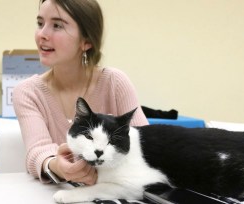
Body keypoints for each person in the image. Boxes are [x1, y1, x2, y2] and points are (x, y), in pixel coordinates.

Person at [13, 0, 149, 185]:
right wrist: (56, 165)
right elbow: (38, 150)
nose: (42, 34)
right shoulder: (27, 92)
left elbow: (146, 142)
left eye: (57, 25)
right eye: (40, 23)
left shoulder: (115, 82)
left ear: (86, 41)